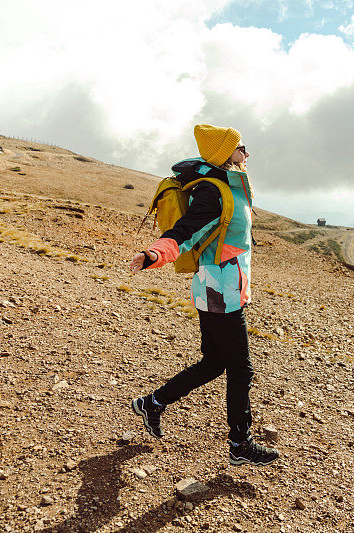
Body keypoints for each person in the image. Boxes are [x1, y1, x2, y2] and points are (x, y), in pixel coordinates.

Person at [129, 124, 279, 466]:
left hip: (223, 286)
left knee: (214, 362)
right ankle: (240, 444)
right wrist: (155, 253)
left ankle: (152, 403)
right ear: (225, 152)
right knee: (241, 370)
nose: (248, 152)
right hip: (219, 291)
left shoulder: (232, 184)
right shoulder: (214, 191)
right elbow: (185, 230)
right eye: (242, 146)